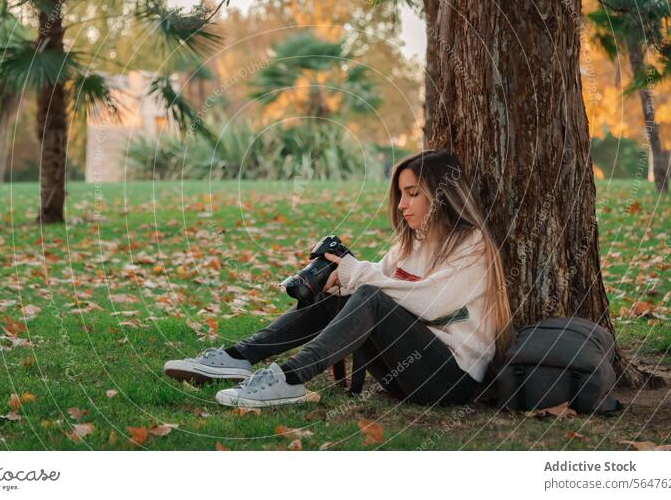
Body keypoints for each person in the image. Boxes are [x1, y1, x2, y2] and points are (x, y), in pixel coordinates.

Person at [163, 149, 513, 408]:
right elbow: (380, 280)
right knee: (348, 295)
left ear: (441, 194)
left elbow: (432, 304)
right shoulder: (413, 243)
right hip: (405, 378)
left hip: (451, 380)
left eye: (413, 193)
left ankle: (290, 378)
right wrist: (339, 279)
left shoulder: (471, 243)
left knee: (368, 295)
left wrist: (356, 275)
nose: (402, 204)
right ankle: (238, 357)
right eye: (401, 194)